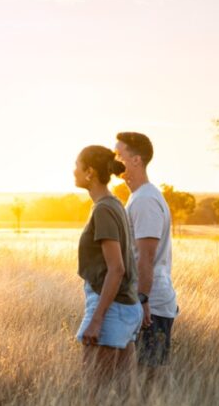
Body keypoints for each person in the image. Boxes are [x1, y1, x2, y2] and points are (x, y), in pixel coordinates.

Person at [74, 145, 142, 384]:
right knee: (123, 396)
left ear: (90, 172)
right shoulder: (114, 204)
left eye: (77, 165)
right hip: (124, 305)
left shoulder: (104, 209)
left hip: (110, 307)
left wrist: (96, 319)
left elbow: (117, 268)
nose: (74, 171)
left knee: (95, 392)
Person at [115, 131, 178, 373]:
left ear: (136, 160)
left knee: (152, 375)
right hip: (146, 300)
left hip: (152, 303)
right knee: (146, 374)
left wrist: (142, 301)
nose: (115, 161)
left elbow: (146, 258)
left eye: (119, 155)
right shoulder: (138, 197)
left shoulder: (145, 200)